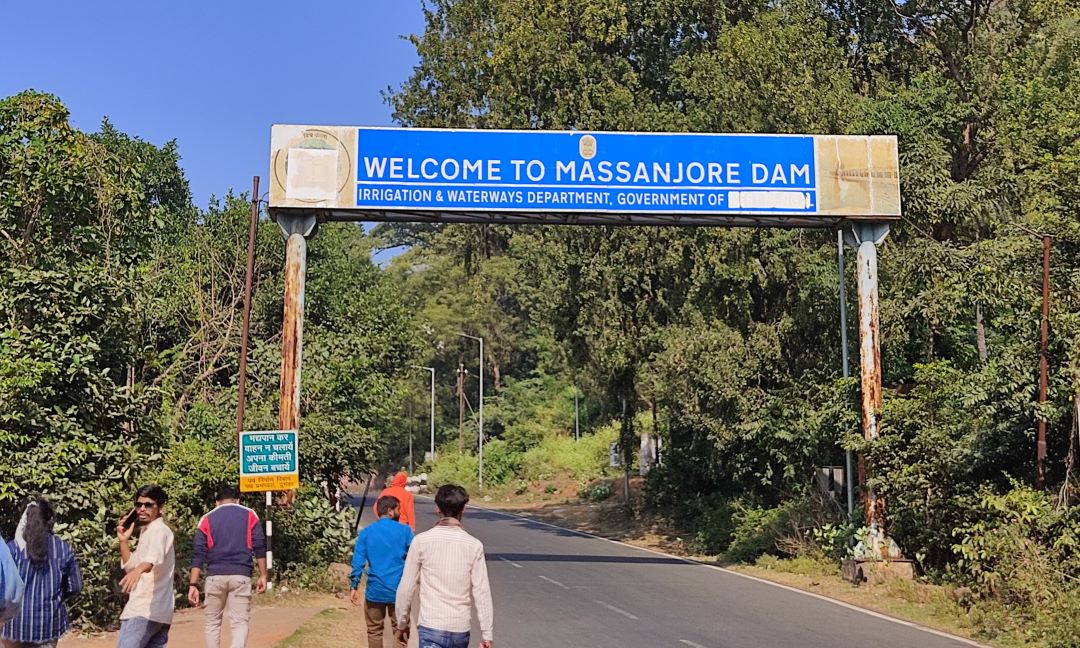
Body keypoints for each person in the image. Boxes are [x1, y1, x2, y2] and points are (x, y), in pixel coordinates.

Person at [394, 485, 493, 648]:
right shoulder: (474, 545)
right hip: (460, 629)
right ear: (463, 510)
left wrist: (402, 623)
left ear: (437, 509)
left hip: (431, 626)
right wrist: (487, 635)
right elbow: (482, 591)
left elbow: (406, 587)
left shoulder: (421, 541)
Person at [188, 486, 267, 648]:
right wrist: (263, 575)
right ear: (238, 500)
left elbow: (198, 554)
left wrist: (193, 584)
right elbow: (259, 546)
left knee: (212, 623)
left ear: (217, 502)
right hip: (241, 576)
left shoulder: (206, 519)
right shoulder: (250, 514)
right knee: (239, 622)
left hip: (214, 576)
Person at [2, 498, 81, 647]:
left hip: (14, 627)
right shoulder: (63, 549)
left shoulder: (13, 549)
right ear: (49, 520)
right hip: (48, 626)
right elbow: (75, 586)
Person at [116, 485, 175, 648]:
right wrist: (123, 541)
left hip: (143, 610)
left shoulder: (159, 531)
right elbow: (131, 567)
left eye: (148, 505)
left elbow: (150, 560)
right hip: (159, 612)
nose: (142, 509)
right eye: (139, 505)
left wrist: (138, 571)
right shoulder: (148, 531)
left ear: (160, 507)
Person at [351, 496, 413, 648]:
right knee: (401, 630)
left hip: (375, 590)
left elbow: (358, 561)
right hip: (399, 592)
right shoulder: (406, 532)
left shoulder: (366, 533)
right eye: (398, 509)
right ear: (390, 511)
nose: (400, 513)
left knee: (374, 631)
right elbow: (416, 559)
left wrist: (354, 585)